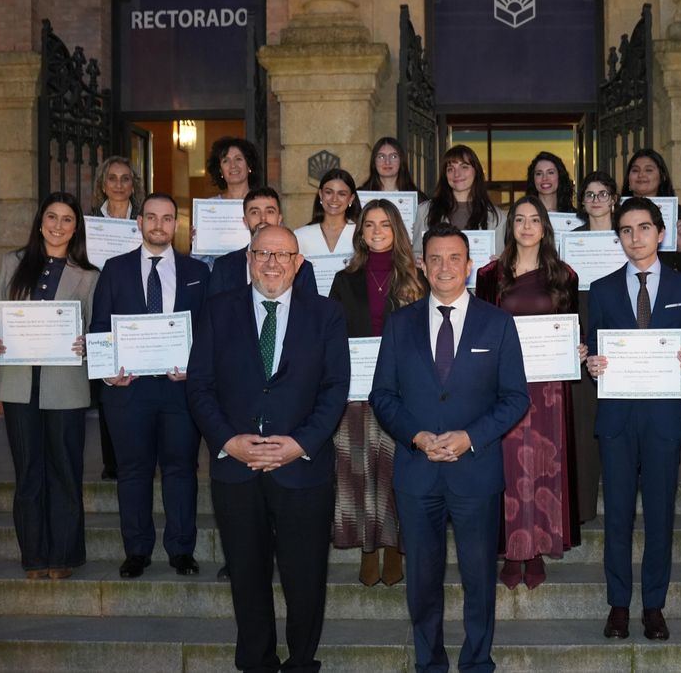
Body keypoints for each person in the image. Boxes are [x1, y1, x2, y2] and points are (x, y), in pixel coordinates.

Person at [187, 224, 350, 672]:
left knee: (305, 578)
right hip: (236, 469)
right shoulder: (218, 310)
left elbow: (335, 389)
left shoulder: (327, 314)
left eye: (283, 255)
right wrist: (227, 441)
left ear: (299, 263)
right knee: (247, 575)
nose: (272, 263)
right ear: (248, 258)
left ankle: (301, 662)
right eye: (262, 253)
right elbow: (200, 386)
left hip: (302, 470)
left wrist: (301, 444)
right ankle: (256, 662)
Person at [370, 224, 530, 673]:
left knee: (479, 578)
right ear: (421, 265)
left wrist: (470, 436)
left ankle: (477, 662)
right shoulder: (400, 325)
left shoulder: (496, 323)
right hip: (417, 473)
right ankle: (430, 664)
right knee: (422, 581)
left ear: (469, 264)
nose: (444, 267)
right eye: (435, 258)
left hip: (475, 472)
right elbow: (382, 395)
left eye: (453, 258)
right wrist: (417, 437)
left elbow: (516, 397)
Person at [585, 197, 681, 641]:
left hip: (663, 421)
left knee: (659, 518)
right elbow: (592, 350)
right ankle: (618, 606)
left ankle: (654, 605)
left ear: (660, 232)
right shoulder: (600, 290)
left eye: (643, 228)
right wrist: (591, 364)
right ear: (618, 238)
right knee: (616, 517)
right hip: (616, 420)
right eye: (626, 230)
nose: (635, 237)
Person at [90, 192, 210, 579]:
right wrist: (109, 371)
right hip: (129, 389)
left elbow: (209, 333)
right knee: (133, 471)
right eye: (152, 217)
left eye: (168, 218)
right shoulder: (114, 269)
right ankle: (137, 550)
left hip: (180, 390)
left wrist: (195, 369)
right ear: (139, 222)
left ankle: (180, 550)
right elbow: (99, 326)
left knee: (181, 469)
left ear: (177, 224)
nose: (160, 224)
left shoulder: (196, 272)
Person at [0, 192, 98, 580]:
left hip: (65, 385)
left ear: (75, 228)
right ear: (39, 222)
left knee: (65, 470)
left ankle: (63, 555)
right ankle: (34, 556)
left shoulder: (88, 275)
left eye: (67, 219)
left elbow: (95, 326)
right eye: (52, 217)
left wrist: (87, 343)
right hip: (17, 385)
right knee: (28, 470)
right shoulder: (12, 263)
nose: (58, 225)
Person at [475, 196, 581, 590]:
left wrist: (579, 347)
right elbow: (480, 330)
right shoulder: (490, 275)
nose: (526, 226)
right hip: (503, 384)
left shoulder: (563, 275)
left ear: (545, 227)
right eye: (518, 219)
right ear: (510, 227)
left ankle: (535, 549)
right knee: (505, 465)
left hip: (548, 387)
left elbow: (574, 327)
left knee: (541, 466)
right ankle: (510, 549)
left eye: (534, 219)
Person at [328, 199, 426, 587]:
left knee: (393, 468)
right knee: (357, 469)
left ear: (397, 229)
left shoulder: (415, 278)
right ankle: (367, 546)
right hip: (355, 388)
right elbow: (332, 336)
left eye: (385, 224)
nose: (377, 230)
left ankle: (393, 547)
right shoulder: (344, 278)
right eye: (369, 224)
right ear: (361, 233)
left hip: (401, 390)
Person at [568, 170, 620, 524]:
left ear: (614, 199)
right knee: (585, 424)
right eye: (590, 194)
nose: (596, 200)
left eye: (603, 194)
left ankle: (621, 506)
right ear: (582, 202)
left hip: (624, 336)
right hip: (585, 330)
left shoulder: (627, 236)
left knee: (620, 424)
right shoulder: (571, 242)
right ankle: (584, 506)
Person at [89, 156, 146, 481]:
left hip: (133, 306)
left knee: (135, 382)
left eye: (126, 178)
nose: (119, 184)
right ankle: (112, 462)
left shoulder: (142, 218)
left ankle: (139, 455)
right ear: (103, 183)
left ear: (133, 184)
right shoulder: (89, 223)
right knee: (108, 384)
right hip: (100, 304)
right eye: (113, 178)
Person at [208, 186, 318, 298]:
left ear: (279, 218)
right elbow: (215, 312)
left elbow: (311, 311)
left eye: (270, 211)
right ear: (245, 221)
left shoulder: (303, 268)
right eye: (255, 212)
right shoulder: (223, 266)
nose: (263, 218)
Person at [410, 145, 505, 261]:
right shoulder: (424, 211)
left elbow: (502, 258)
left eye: (464, 167)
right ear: (445, 175)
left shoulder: (497, 217)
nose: (457, 174)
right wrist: (419, 261)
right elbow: (416, 253)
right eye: (450, 169)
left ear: (477, 171)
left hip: (481, 279)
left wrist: (499, 264)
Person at [620, 148, 681, 277]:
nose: (641, 175)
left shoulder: (678, 213)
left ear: (662, 177)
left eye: (648, 170)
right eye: (635, 170)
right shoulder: (616, 213)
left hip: (667, 287)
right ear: (629, 180)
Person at [193, 137, 263, 269]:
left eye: (238, 159)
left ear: (249, 165)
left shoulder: (263, 203)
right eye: (226, 161)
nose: (233, 165)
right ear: (220, 170)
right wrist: (197, 242)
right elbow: (199, 262)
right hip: (219, 282)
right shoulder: (208, 207)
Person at [295, 167, 360, 257]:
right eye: (329, 192)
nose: (334, 199)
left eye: (342, 194)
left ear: (351, 198)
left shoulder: (360, 233)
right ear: (321, 195)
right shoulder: (300, 235)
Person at [359, 136, 428, 201]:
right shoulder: (359, 196)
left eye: (393, 156)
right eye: (381, 157)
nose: (387, 162)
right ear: (374, 162)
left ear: (401, 161)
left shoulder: (418, 198)